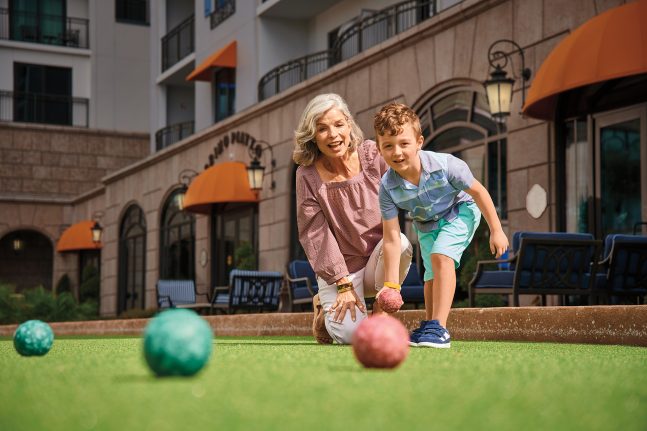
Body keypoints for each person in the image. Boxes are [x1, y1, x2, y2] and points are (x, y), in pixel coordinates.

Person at [374, 103, 509, 348]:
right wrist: (391, 284)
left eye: (404, 143)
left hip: (461, 212)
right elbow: (392, 238)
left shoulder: (447, 165)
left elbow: (479, 192)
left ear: (419, 142)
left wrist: (496, 230)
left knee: (441, 256)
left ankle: (441, 328)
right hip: (425, 224)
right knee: (430, 276)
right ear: (379, 149)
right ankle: (430, 325)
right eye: (388, 146)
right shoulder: (387, 187)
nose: (397, 152)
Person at [294, 94, 412, 345]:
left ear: (349, 125)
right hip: (341, 272)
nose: (333, 135)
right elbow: (315, 233)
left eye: (338, 125)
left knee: (401, 243)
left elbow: (404, 180)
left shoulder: (371, 154)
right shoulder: (307, 175)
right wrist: (342, 284)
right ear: (313, 135)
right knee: (349, 337)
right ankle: (322, 310)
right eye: (322, 129)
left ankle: (380, 316)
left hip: (378, 262)